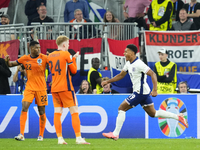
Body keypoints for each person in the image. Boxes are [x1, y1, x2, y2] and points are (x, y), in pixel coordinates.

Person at [101, 44, 188, 140]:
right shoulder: (128, 63)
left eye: (126, 52)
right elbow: (121, 75)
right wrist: (107, 81)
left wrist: (155, 89)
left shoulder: (139, 64)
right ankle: (178, 117)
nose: (124, 53)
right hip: (144, 92)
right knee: (153, 113)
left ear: (133, 53)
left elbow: (153, 74)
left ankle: (115, 134)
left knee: (121, 108)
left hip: (140, 92)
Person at [47, 35, 90, 145]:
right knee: (74, 111)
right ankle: (78, 138)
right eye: (68, 44)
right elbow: (74, 70)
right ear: (64, 44)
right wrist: (74, 58)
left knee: (57, 113)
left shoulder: (50, 56)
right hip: (66, 87)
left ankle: (60, 139)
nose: (69, 46)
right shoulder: (66, 54)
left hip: (54, 88)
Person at [5, 41, 48, 141]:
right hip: (29, 87)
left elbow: (53, 64)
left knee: (41, 111)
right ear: (31, 48)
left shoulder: (44, 58)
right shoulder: (25, 58)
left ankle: (41, 135)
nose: (38, 49)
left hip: (41, 89)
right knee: (24, 107)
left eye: (39, 48)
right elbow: (11, 65)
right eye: (36, 48)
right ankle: (21, 134)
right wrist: (7, 61)